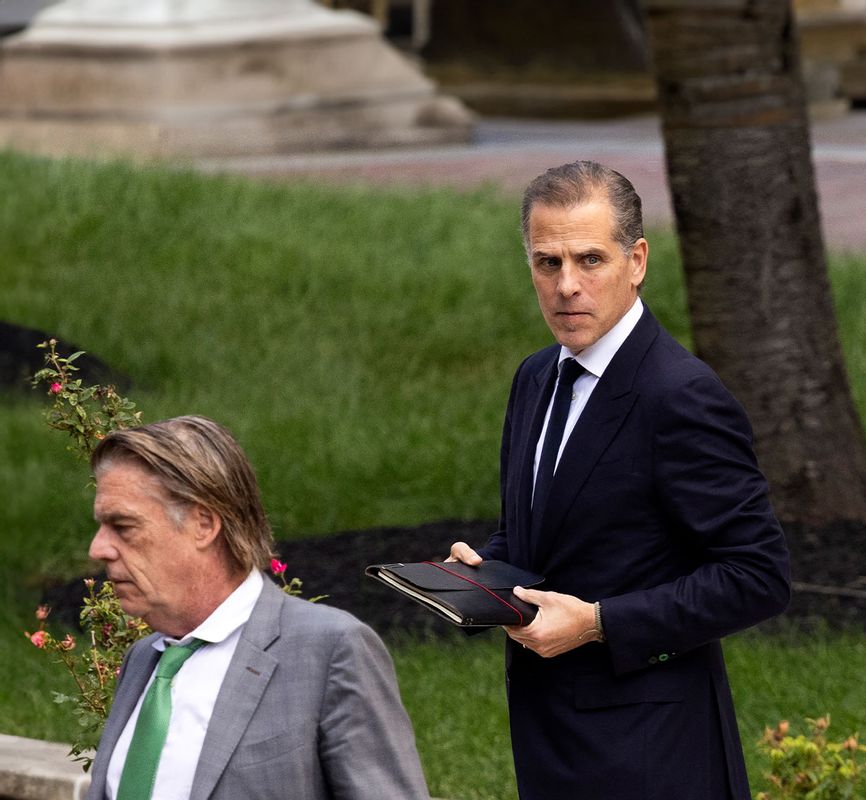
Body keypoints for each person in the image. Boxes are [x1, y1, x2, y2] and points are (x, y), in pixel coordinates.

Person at [447, 161, 791, 799]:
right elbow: (543, 530)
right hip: (549, 736)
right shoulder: (536, 378)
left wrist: (599, 622)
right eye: (547, 263)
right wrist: (487, 571)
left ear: (636, 261)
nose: (566, 285)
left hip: (654, 751)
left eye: (589, 260)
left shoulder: (681, 396)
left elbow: (758, 576)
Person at [84, 415, 430, 800]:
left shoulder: (331, 650)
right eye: (102, 526)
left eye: (124, 526)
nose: (98, 549)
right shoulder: (143, 659)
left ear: (203, 524)